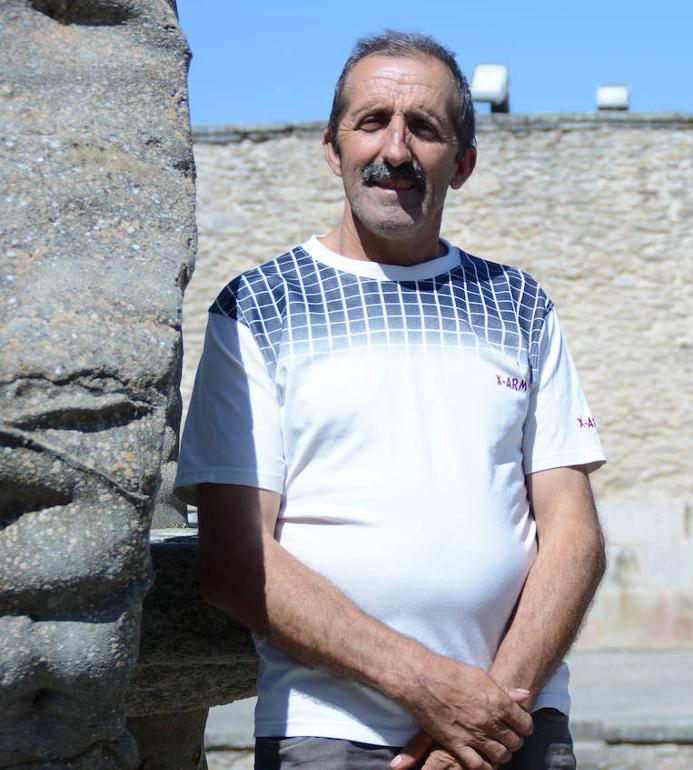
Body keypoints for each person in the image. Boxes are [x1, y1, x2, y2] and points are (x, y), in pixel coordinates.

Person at [174, 31, 607, 770]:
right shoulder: (257, 308)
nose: (396, 150)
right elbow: (236, 556)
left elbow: (576, 537)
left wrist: (491, 709)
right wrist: (430, 688)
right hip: (330, 732)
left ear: (463, 164)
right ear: (332, 147)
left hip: (515, 727)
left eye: (426, 129)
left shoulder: (520, 305)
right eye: (371, 121)